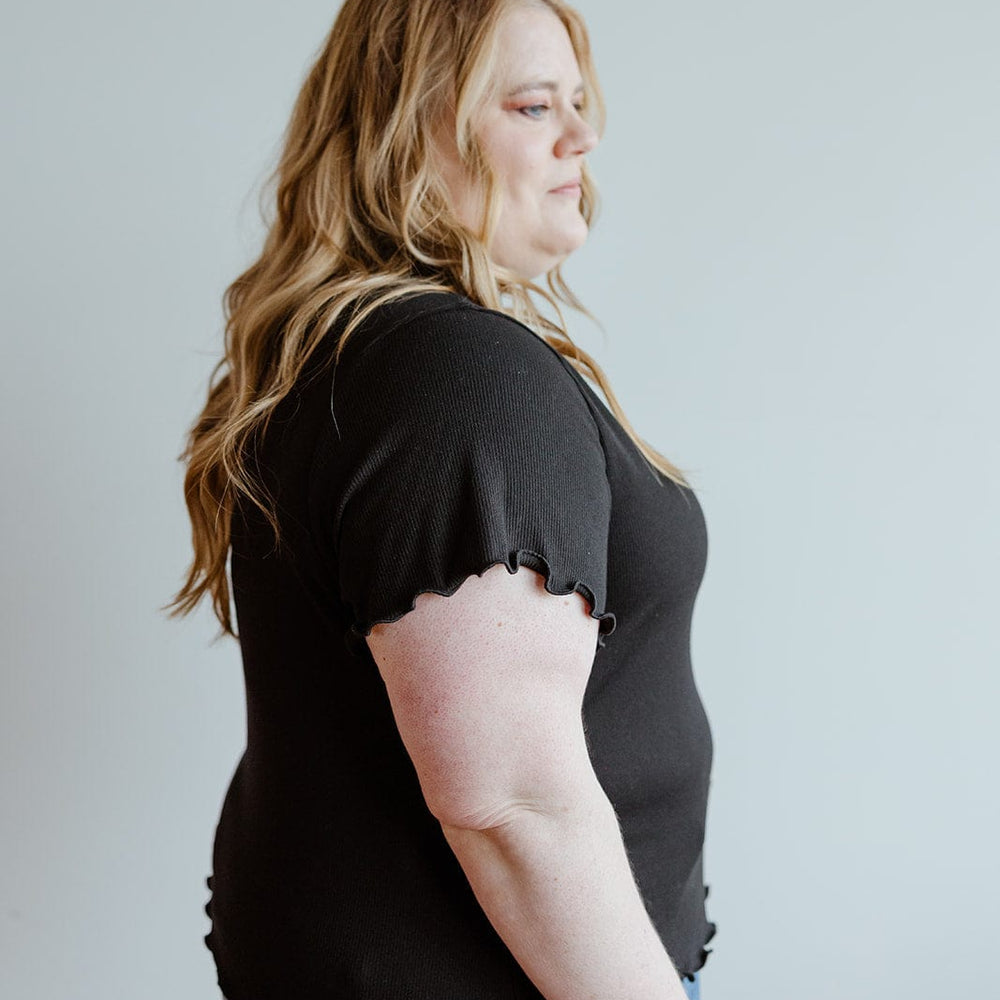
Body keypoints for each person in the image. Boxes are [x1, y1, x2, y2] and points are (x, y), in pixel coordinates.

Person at [166, 1, 717, 997]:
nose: (582, 135)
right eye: (532, 102)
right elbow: (510, 800)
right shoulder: (453, 373)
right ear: (409, 128)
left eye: (579, 102)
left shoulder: (357, 360)